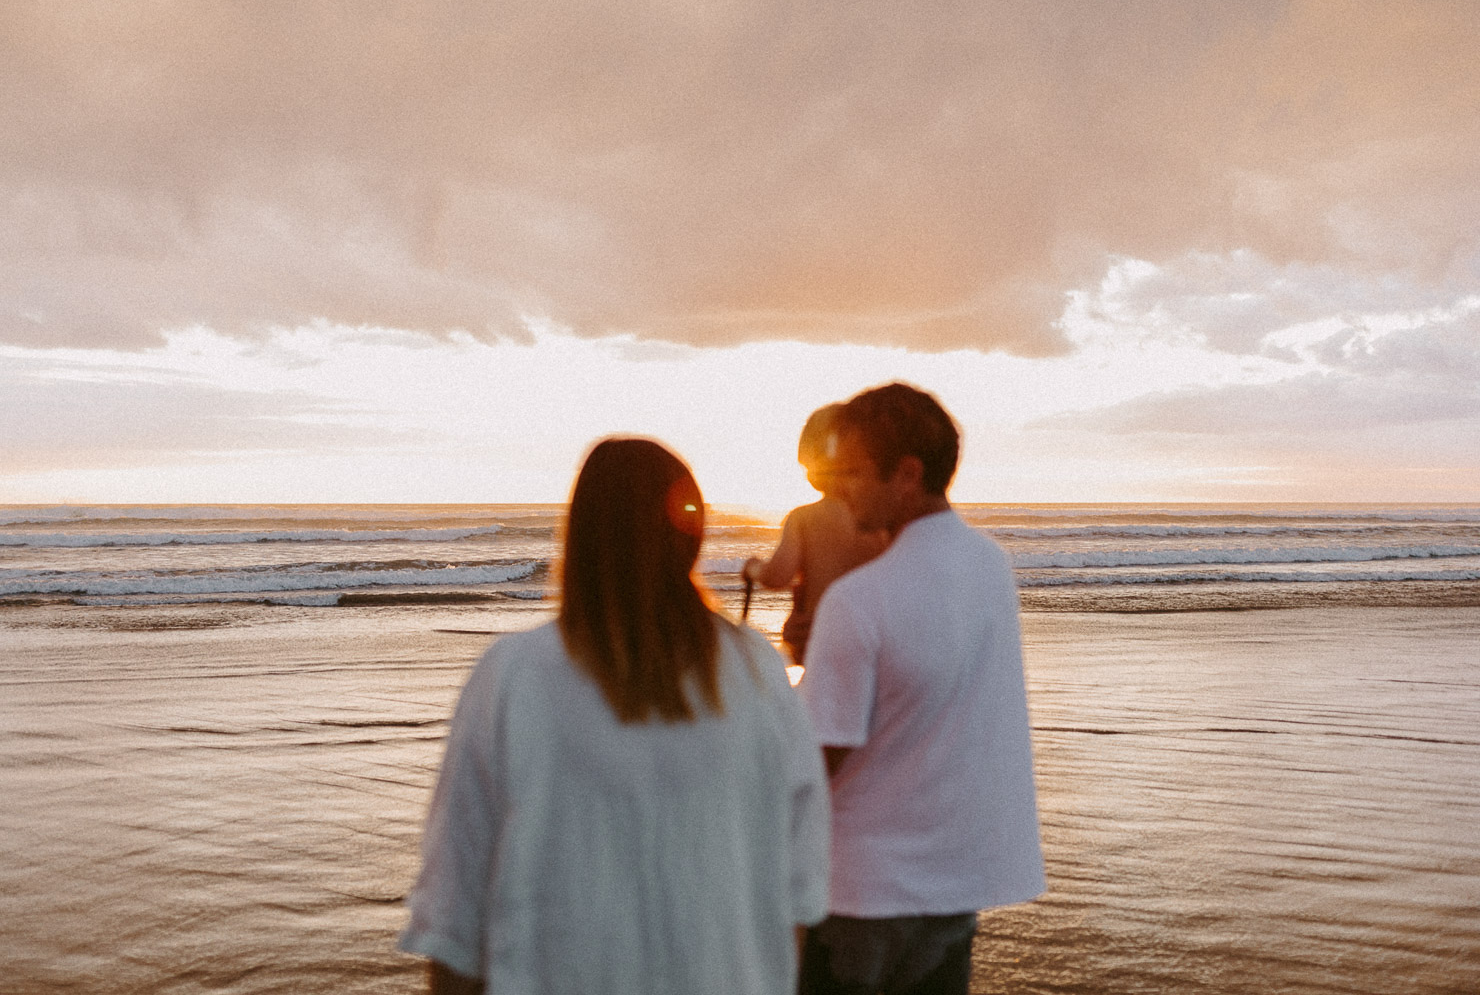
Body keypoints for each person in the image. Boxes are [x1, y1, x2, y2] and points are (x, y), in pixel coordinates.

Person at [398, 437, 831, 995]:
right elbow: (800, 894)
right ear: (692, 536)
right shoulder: (759, 674)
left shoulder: (513, 677)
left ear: (579, 537)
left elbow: (454, 918)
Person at [796, 383, 1046, 995]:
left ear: (907, 474)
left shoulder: (858, 600)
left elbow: (816, 757)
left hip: (858, 894)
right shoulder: (991, 568)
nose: (839, 487)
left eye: (852, 471)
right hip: (953, 885)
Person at [742, 404, 889, 664]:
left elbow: (778, 576)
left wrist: (754, 568)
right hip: (872, 638)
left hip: (820, 637)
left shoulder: (804, 518)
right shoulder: (882, 520)